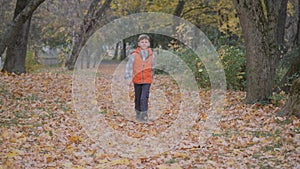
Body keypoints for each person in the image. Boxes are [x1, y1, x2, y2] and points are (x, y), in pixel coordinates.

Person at [125, 34, 155, 123]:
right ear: (139, 43)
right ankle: (138, 113)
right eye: (142, 42)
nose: (144, 44)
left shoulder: (152, 55)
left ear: (149, 44)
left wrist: (152, 77)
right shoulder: (134, 55)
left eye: (146, 42)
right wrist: (128, 77)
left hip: (147, 80)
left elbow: (153, 68)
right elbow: (129, 67)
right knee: (137, 98)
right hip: (137, 80)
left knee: (144, 98)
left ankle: (144, 116)